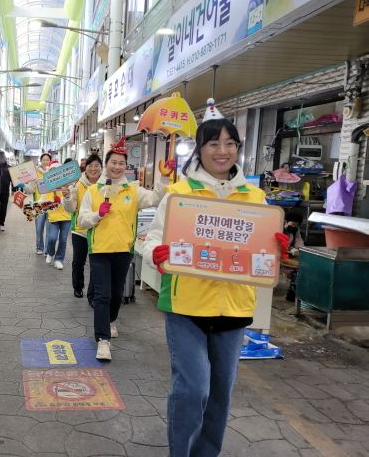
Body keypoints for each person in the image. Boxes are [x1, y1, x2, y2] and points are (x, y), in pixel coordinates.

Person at [142, 99, 290, 457]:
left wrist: (275, 248)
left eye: (230, 143)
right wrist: (157, 254)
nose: (222, 151)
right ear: (201, 149)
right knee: (193, 388)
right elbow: (152, 239)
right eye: (213, 143)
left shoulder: (255, 197)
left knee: (221, 394)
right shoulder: (180, 194)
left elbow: (260, 250)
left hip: (235, 309)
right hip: (185, 305)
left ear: (238, 148)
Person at [78, 137, 167, 361]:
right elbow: (82, 220)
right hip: (99, 250)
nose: (117, 167)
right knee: (102, 295)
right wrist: (98, 214)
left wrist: (164, 177)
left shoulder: (133, 190)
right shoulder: (94, 191)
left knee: (117, 294)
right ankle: (103, 341)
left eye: (121, 163)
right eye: (113, 162)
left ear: (126, 167)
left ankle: (111, 320)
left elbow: (156, 198)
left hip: (123, 250)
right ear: (106, 164)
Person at [61, 154, 103, 302]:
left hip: (99, 230)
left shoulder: (106, 185)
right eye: (90, 166)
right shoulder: (77, 185)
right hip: (80, 230)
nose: (93, 169)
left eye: (96, 166)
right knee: (78, 261)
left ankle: (92, 293)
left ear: (101, 168)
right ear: (85, 167)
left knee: (96, 264)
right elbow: (71, 208)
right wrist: (66, 197)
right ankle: (78, 287)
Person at [43, 161, 71, 270]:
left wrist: (65, 197)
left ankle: (59, 259)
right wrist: (51, 202)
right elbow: (43, 202)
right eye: (51, 172)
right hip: (54, 216)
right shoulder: (47, 186)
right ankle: (50, 252)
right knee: (52, 238)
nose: (54, 174)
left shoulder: (67, 184)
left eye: (56, 172)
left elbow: (71, 198)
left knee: (63, 239)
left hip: (66, 216)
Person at [31, 153, 51, 254]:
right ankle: (39, 248)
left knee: (49, 229)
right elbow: (31, 188)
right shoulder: (35, 172)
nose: (45, 162)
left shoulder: (53, 173)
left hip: (51, 205)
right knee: (39, 228)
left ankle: (47, 249)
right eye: (43, 160)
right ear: (40, 161)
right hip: (38, 204)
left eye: (47, 160)